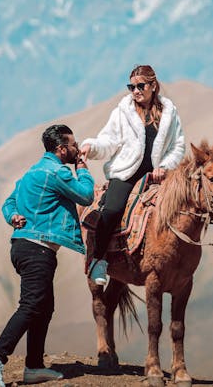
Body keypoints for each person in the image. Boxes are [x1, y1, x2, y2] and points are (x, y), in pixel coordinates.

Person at [0, 124, 95, 387]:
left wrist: (13, 216)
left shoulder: (32, 172)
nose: (77, 149)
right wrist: (83, 169)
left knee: (44, 308)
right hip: (37, 249)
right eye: (73, 144)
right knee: (32, 305)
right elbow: (86, 196)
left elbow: (9, 202)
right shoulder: (57, 172)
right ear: (62, 149)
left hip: (23, 247)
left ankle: (33, 367)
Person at [79, 64, 186, 285]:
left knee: (181, 209)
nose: (135, 91)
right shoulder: (122, 112)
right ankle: (98, 260)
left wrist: (165, 167)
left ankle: (174, 261)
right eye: (131, 86)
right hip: (125, 174)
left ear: (153, 86)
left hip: (156, 176)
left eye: (140, 86)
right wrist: (92, 146)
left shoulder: (169, 113)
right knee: (112, 209)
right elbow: (108, 141)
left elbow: (177, 146)